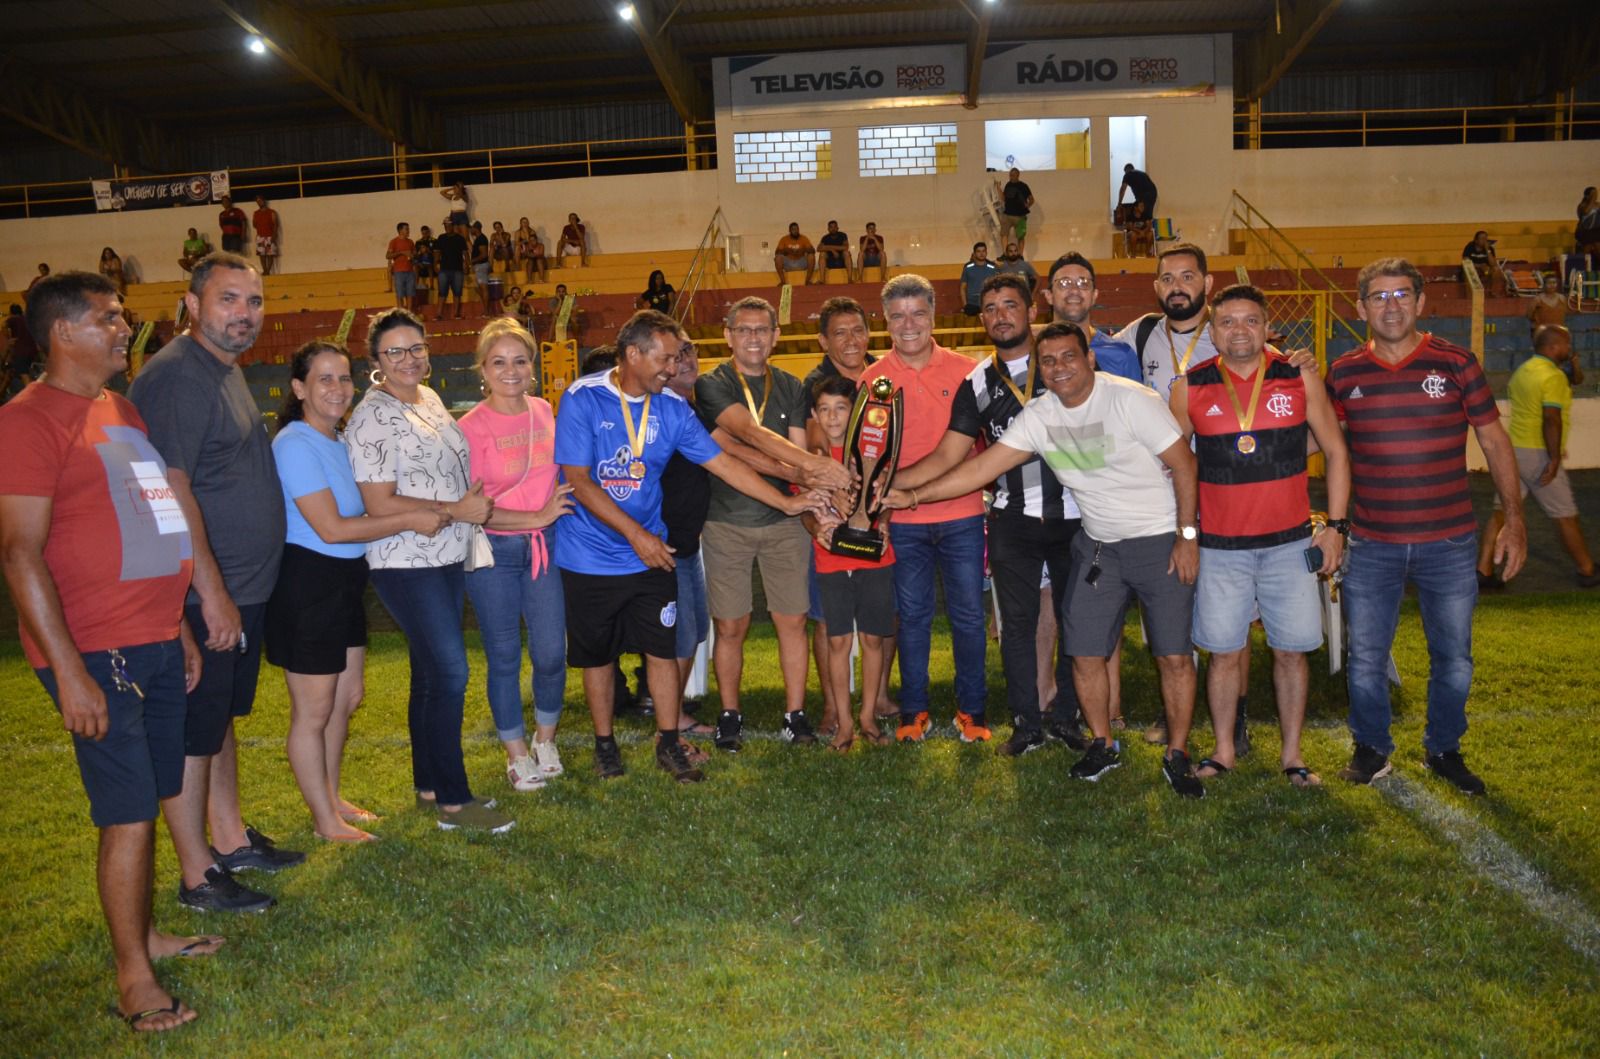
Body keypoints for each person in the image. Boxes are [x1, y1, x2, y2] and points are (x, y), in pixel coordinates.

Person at [0, 271, 212, 1034]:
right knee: (125, 814)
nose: (125, 328)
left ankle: (147, 932)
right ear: (62, 333)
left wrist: (178, 622)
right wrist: (69, 671)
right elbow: (20, 554)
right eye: (109, 318)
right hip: (98, 650)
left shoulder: (118, 408)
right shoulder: (27, 422)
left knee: (149, 800)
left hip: (151, 637)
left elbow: (149, 518)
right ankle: (133, 974)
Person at [883, 321, 1207, 797]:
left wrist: (1187, 536)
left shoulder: (1131, 399)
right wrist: (911, 496)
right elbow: (979, 468)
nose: (1059, 369)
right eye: (1049, 361)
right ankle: (1103, 744)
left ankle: (1177, 753)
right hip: (1099, 546)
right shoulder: (1040, 414)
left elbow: (1184, 463)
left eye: (1069, 358)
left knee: (1174, 655)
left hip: (1157, 540)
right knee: (1084, 652)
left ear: (1089, 358)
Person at [554, 309, 822, 780]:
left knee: (663, 648)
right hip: (591, 554)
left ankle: (669, 743)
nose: (673, 368)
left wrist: (785, 504)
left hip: (651, 552)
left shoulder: (673, 409)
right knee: (598, 654)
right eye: (665, 358)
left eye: (678, 358)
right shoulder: (583, 398)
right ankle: (604, 744)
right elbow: (577, 480)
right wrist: (635, 535)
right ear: (633, 354)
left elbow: (723, 464)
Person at [127, 252, 302, 913]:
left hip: (241, 585)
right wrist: (211, 590)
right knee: (195, 730)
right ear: (193, 304)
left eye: (253, 301)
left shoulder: (220, 370)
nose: (244, 314)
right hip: (207, 592)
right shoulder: (178, 376)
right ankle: (197, 872)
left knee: (221, 716)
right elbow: (168, 487)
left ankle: (227, 837)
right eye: (229, 300)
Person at [1329, 257, 1527, 795]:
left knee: (1454, 658)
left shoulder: (1457, 363)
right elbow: (1326, 448)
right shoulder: (1344, 373)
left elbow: (1493, 441)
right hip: (1372, 543)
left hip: (1450, 542)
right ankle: (1371, 748)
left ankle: (1444, 749)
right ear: (1361, 306)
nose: (1390, 306)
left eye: (1401, 296)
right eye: (1378, 296)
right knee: (1366, 658)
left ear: (1420, 303)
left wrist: (1514, 518)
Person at [882, 273, 1077, 754]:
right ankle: (1027, 723)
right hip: (1012, 516)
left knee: (1078, 621)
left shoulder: (1063, 362)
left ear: (1032, 310)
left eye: (1010, 305)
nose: (1000, 316)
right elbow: (952, 456)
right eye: (990, 309)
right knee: (1015, 623)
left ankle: (1070, 716)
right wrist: (886, 484)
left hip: (1079, 513)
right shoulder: (977, 379)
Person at [1169, 284, 1352, 787]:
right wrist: (1184, 533)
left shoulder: (1299, 377)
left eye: (1251, 320)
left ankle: (1293, 756)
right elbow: (1174, 465)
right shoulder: (1189, 387)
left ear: (1267, 325)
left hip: (1289, 545)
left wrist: (1335, 529)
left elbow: (1336, 452)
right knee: (1224, 652)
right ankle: (1224, 750)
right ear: (1212, 331)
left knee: (1291, 651)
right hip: (1220, 548)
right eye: (1228, 322)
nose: (1240, 331)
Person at [266, 341, 447, 842]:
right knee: (315, 709)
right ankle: (326, 821)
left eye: (344, 378)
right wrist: (412, 518)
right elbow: (331, 528)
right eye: (323, 379)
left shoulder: (339, 439)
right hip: (308, 583)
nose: (337, 388)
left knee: (347, 697)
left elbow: (369, 506)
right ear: (299, 388)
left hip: (343, 582)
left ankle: (332, 795)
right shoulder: (295, 444)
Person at [346, 308, 508, 832]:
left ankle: (429, 785)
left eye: (416, 348)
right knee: (451, 671)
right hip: (403, 559)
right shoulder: (371, 416)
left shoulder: (430, 399)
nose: (409, 359)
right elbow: (377, 501)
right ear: (376, 361)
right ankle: (455, 803)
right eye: (395, 351)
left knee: (428, 673)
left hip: (442, 554)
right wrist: (455, 511)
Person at [695, 296, 851, 751]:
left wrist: (810, 486)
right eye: (743, 330)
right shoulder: (711, 384)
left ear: (776, 335)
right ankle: (729, 714)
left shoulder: (789, 385)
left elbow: (798, 444)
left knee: (792, 620)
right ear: (727, 335)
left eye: (762, 330)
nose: (753, 338)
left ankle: (795, 714)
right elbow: (738, 436)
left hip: (785, 523)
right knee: (730, 626)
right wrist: (810, 470)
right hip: (726, 521)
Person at [860, 275, 989, 743]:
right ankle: (914, 709)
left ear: (934, 315)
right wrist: (875, 510)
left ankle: (972, 709)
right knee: (912, 617)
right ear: (886, 322)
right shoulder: (873, 380)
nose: (908, 324)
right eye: (898, 315)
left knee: (969, 616)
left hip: (962, 514)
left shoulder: (968, 371)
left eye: (917, 313)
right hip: (905, 521)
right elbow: (868, 454)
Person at [460, 319, 575, 792]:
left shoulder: (546, 410)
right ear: (482, 369)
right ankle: (515, 752)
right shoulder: (468, 427)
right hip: (494, 552)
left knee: (551, 653)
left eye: (520, 361)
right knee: (504, 656)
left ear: (534, 366)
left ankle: (545, 739)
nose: (511, 371)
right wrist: (536, 517)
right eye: (499, 362)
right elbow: (471, 510)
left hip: (543, 550)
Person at [799, 297, 896, 731]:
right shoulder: (816, 384)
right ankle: (834, 710)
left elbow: (890, 447)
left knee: (879, 624)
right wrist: (831, 484)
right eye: (840, 332)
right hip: (832, 533)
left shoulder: (883, 377)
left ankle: (877, 701)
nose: (851, 340)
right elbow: (814, 451)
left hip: (879, 524)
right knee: (829, 624)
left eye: (858, 330)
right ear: (823, 340)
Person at [1477, 325, 1598, 590]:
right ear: (1553, 346)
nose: (1569, 348)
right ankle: (1587, 569)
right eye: (1566, 343)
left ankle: (1484, 570)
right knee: (1565, 514)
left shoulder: (1523, 372)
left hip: (1513, 451)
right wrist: (1553, 458)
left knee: (1501, 512)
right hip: (1538, 454)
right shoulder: (1552, 377)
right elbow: (1551, 419)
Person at [659, 329, 717, 745]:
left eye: (691, 349)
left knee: (693, 631)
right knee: (678, 637)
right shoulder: (660, 409)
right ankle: (669, 724)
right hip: (663, 544)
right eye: (677, 354)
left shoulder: (691, 407)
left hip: (687, 543)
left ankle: (674, 713)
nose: (688, 359)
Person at [432, 221, 468, 321]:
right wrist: (435, 264)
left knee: (457, 293)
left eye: (449, 226)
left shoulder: (460, 238)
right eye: (445, 226)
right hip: (444, 269)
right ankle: (439, 314)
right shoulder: (441, 238)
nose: (447, 228)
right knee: (442, 292)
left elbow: (465, 253)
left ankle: (456, 314)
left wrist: (467, 265)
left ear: (453, 226)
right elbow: (437, 252)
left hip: (457, 269)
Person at [3, 302, 39, 394]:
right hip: (32, 350)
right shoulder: (27, 319)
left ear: (11, 312)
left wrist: (8, 339)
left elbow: (4, 326)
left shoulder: (13, 319)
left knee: (24, 374)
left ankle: (33, 395)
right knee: (26, 372)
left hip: (21, 351)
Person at [997, 168, 1034, 254]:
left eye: (1013, 175)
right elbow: (1003, 198)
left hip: (1020, 216)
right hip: (1008, 215)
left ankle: (1020, 255)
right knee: (1003, 234)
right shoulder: (1008, 185)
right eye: (1010, 175)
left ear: (1018, 175)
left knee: (1020, 236)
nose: (1011, 177)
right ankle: (1005, 254)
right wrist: (998, 188)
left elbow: (1032, 199)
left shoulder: (1024, 186)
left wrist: (1027, 205)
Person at [960, 242, 997, 316]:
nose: (981, 253)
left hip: (989, 304)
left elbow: (997, 287)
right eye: (979, 251)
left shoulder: (993, 268)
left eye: (983, 251)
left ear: (986, 253)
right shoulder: (968, 268)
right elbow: (962, 288)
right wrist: (965, 305)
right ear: (974, 253)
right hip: (972, 305)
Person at [1527, 274, 1568, 340]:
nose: (1552, 285)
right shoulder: (1537, 300)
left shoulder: (1562, 299)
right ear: (1544, 285)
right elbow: (1529, 315)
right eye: (1549, 283)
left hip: (1558, 332)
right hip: (1542, 333)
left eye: (1554, 283)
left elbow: (1564, 313)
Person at [1461, 230, 1502, 296]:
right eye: (1482, 238)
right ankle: (1474, 294)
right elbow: (1466, 262)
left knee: (1496, 270)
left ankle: (1493, 292)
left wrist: (1487, 250)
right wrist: (1479, 266)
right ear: (1476, 240)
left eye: (1486, 238)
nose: (1484, 240)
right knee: (1471, 272)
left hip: (1485, 270)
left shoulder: (1490, 248)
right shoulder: (1470, 247)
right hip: (1474, 269)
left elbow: (1493, 264)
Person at [386, 222, 416, 309]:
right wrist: (401, 252)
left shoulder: (410, 242)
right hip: (399, 271)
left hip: (410, 270)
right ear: (400, 230)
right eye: (406, 229)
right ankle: (401, 312)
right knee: (400, 294)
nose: (408, 231)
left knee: (410, 294)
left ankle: (409, 313)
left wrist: (413, 255)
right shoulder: (394, 242)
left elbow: (414, 253)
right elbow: (387, 256)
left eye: (408, 229)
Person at [252, 197, 280, 275]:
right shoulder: (256, 213)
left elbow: (275, 224)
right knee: (262, 255)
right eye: (257, 201)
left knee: (270, 254)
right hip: (260, 236)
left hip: (269, 236)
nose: (259, 202)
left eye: (260, 200)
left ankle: (268, 270)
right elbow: (254, 224)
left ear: (264, 201)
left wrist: (274, 235)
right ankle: (265, 270)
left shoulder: (271, 212)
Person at [469, 222, 492, 314]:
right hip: (478, 266)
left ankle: (486, 311)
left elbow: (484, 255)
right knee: (479, 289)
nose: (471, 230)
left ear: (476, 228)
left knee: (483, 288)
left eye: (472, 229)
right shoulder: (478, 239)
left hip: (481, 266)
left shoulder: (481, 239)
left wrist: (472, 261)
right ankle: (485, 309)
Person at [516, 218, 547, 283]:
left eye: (526, 222)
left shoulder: (541, 245)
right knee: (530, 261)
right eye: (523, 222)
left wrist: (532, 255)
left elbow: (540, 254)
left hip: (540, 261)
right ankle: (529, 280)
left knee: (538, 260)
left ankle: (541, 279)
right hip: (530, 259)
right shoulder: (527, 245)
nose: (525, 224)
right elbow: (527, 253)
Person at [413, 224, 436, 297]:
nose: (425, 235)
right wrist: (420, 252)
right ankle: (416, 285)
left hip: (430, 262)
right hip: (421, 262)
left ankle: (431, 285)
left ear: (428, 232)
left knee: (430, 266)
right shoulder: (418, 242)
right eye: (423, 233)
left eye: (426, 233)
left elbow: (436, 253)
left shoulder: (434, 241)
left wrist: (428, 250)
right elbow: (415, 255)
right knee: (415, 267)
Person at [1577, 186, 1600, 251]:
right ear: (1587, 196)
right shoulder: (1582, 205)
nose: (1596, 195)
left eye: (1596, 193)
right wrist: (1592, 200)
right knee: (1588, 248)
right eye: (1593, 194)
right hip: (1586, 231)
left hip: (1596, 231)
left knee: (1595, 247)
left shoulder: (1598, 204)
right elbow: (1586, 212)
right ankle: (1585, 259)